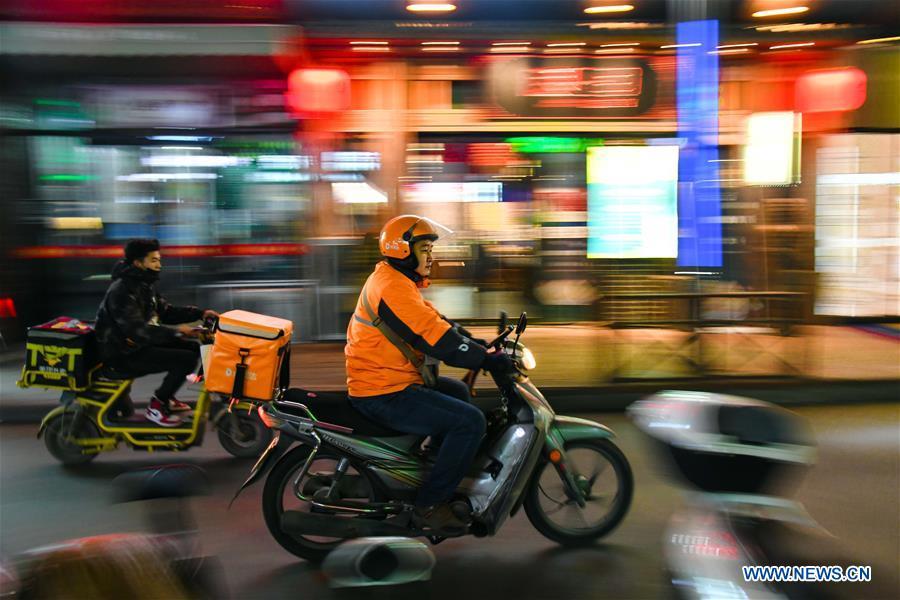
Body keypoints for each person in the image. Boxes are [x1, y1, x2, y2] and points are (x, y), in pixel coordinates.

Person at [345, 215, 514, 534]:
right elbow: (431, 338)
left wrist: (475, 344)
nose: (431, 256)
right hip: (383, 391)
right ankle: (430, 506)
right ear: (402, 251)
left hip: (391, 380)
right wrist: (483, 360)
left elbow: (435, 322)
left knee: (458, 394)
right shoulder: (391, 287)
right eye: (424, 248)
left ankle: (430, 466)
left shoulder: (396, 281)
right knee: (470, 422)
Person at [94, 239, 218, 427]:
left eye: (159, 260)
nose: (159, 265)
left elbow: (165, 311)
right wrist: (177, 333)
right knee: (184, 359)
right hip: (122, 353)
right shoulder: (122, 291)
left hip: (136, 345)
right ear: (138, 263)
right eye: (153, 260)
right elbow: (137, 331)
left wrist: (200, 314)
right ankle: (157, 405)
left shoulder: (144, 284)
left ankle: (166, 397)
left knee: (193, 349)